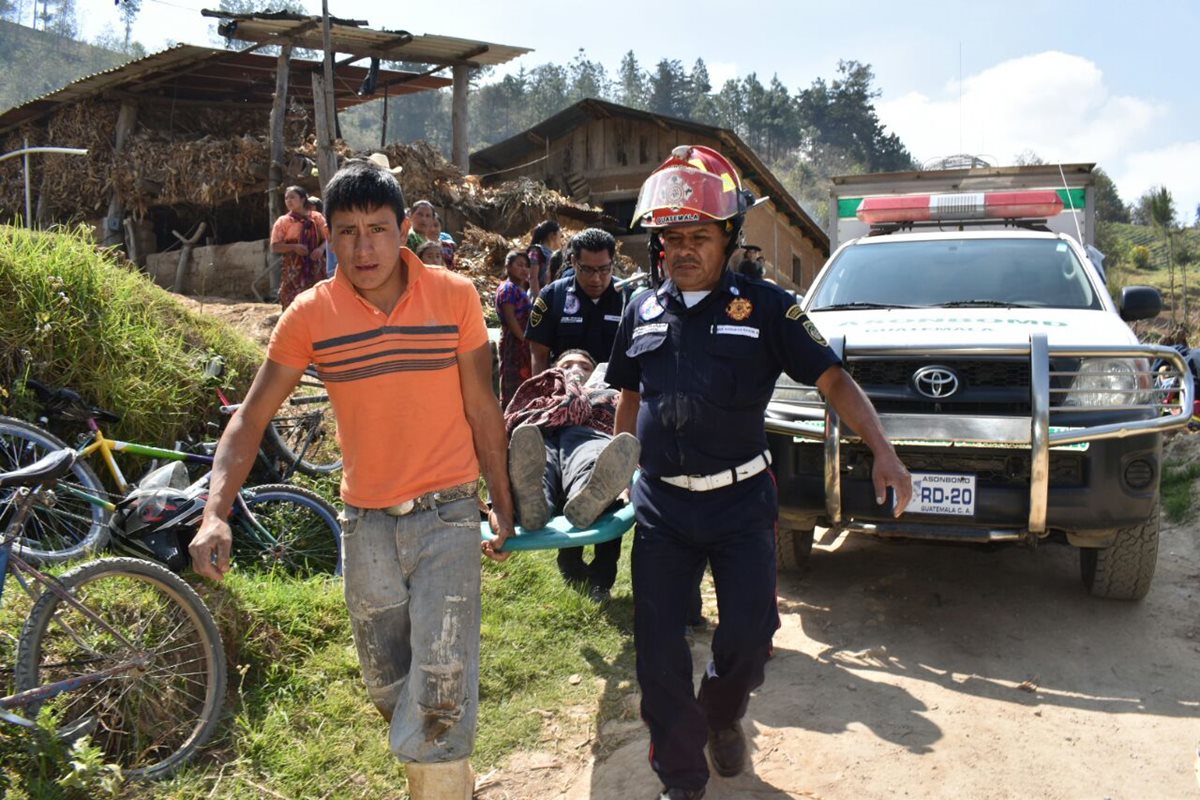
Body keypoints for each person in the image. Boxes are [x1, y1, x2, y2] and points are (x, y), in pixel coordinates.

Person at [188, 158, 515, 800]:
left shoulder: (454, 297)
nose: (364, 248)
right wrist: (213, 512)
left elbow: (483, 408)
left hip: (449, 514)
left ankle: (441, 782)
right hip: (365, 524)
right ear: (328, 236)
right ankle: (446, 774)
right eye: (348, 232)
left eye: (378, 229)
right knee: (389, 685)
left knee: (441, 686)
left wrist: (500, 503)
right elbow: (251, 417)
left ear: (404, 230)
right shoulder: (311, 315)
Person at [606, 144, 911, 800]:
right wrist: (619, 468)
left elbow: (833, 379)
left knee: (749, 638)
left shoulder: (770, 308)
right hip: (661, 506)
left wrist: (883, 451)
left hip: (741, 502)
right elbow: (629, 394)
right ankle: (681, 781)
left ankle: (721, 713)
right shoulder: (641, 310)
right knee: (657, 653)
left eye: (698, 236)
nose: (683, 250)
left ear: (728, 237)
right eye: (671, 239)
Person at [525, 228, 627, 588]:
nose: (597, 278)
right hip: (564, 406)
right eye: (587, 270)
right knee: (569, 474)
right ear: (572, 263)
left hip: (610, 410)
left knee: (607, 479)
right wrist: (545, 403)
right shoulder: (553, 297)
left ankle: (603, 574)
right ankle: (570, 563)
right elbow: (538, 356)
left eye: (604, 269)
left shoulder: (627, 299)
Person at [505, 349, 639, 603]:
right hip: (545, 437)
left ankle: (591, 493)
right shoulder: (541, 394)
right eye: (566, 365)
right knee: (538, 463)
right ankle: (533, 502)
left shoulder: (607, 395)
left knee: (590, 458)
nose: (576, 370)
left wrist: (628, 477)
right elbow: (514, 419)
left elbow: (626, 420)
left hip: (589, 436)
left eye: (585, 367)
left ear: (595, 374)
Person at [270, 185, 329, 309]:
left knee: (319, 299)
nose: (288, 201)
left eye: (292, 197)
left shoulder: (317, 217)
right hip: (293, 269)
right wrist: (294, 247)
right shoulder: (283, 221)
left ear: (302, 199)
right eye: (286, 198)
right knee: (293, 302)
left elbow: (329, 237)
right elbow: (275, 246)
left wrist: (320, 249)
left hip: (316, 264)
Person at [495, 250, 533, 409]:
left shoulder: (520, 288)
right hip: (514, 341)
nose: (524, 269)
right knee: (513, 379)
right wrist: (524, 339)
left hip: (522, 340)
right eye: (519, 265)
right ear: (508, 267)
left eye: (526, 266)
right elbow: (511, 318)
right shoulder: (508, 288)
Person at [527, 219, 561, 298]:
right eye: (560, 235)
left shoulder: (555, 254)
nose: (560, 238)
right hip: (538, 295)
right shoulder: (536, 251)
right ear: (552, 235)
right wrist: (538, 299)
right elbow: (533, 277)